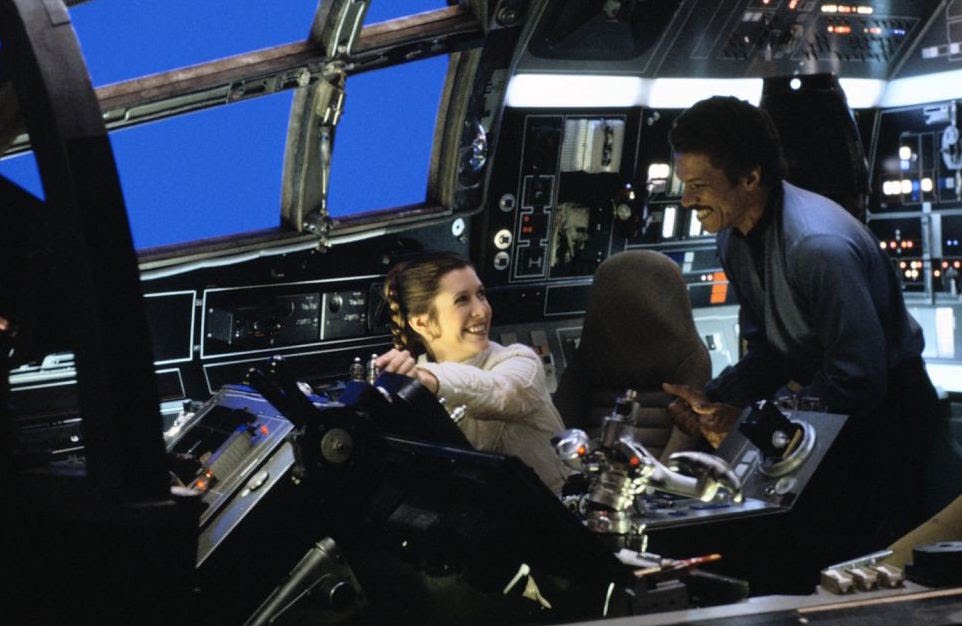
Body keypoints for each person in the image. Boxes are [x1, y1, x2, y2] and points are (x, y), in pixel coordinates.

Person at [660, 95, 940, 567]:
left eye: (699, 185)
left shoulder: (818, 246)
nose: (687, 200)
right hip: (824, 407)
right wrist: (714, 399)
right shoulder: (732, 238)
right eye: (684, 185)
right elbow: (770, 350)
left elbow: (859, 379)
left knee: (855, 568)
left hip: (886, 419)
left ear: (751, 178)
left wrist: (754, 421)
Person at [373, 251, 570, 495]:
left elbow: (501, 392)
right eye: (462, 300)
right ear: (421, 322)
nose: (481, 311)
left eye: (481, 294)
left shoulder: (520, 361)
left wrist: (427, 380)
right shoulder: (416, 380)